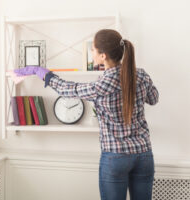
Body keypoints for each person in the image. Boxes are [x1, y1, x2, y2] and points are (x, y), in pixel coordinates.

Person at [14, 29, 159, 200]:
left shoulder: (104, 83)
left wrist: (42, 73)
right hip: (144, 155)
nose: (92, 52)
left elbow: (67, 89)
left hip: (115, 156)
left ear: (103, 55)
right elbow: (154, 98)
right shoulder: (141, 75)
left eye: (93, 49)